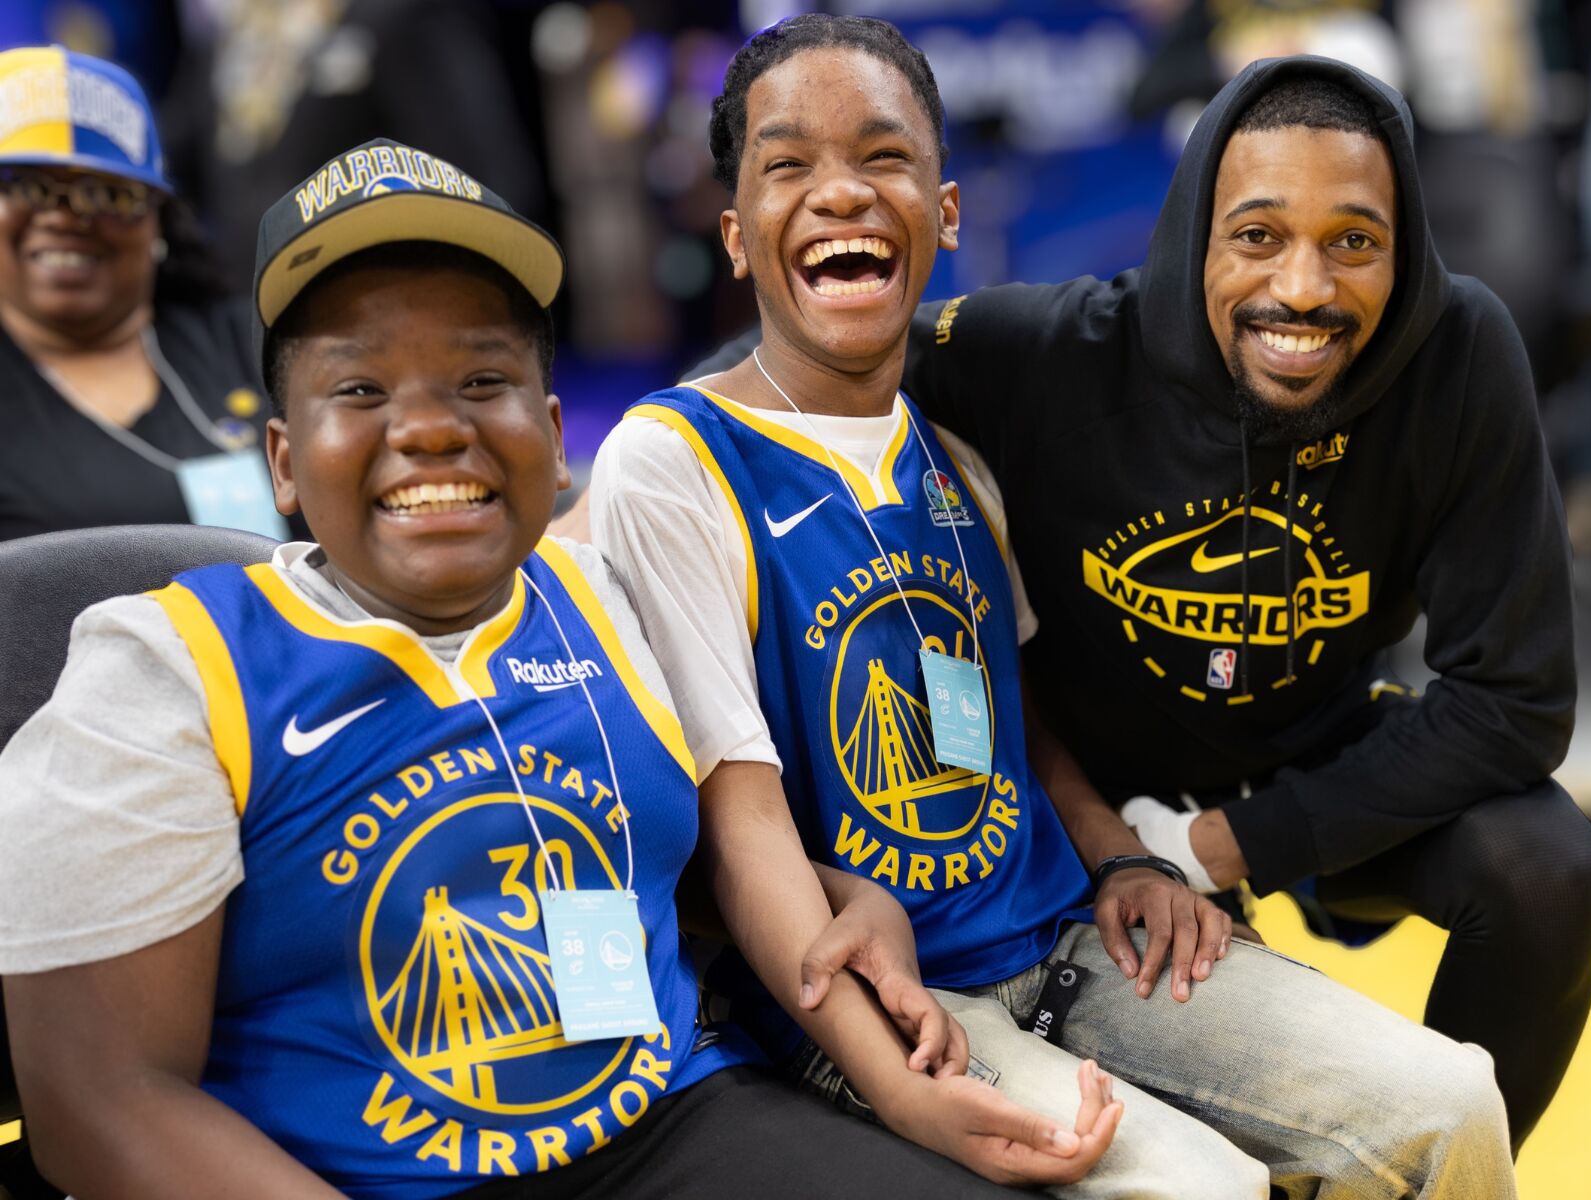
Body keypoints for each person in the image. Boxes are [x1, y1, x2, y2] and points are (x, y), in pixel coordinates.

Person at [0, 137, 1123, 1199]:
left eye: (481, 380)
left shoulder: (597, 596)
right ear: (284, 463)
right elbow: (98, 1101)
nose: (430, 428)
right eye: (361, 390)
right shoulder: (165, 673)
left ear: (549, 429)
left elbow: (666, 862)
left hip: (679, 1121)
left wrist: (845, 895)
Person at [591, 16, 1519, 1199]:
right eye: (789, 165)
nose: (842, 192)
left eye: (884, 157)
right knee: (1206, 1192)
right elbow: (743, 831)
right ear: (735, 234)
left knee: (1454, 1106)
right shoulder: (673, 461)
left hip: (1071, 938)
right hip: (895, 999)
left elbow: (1017, 724)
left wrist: (1126, 860)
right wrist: (896, 1084)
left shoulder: (961, 462)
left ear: (946, 212)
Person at [879, 55, 1591, 1148]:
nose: (1304, 289)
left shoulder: (1456, 353)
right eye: (1258, 235)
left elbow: (1516, 700)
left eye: (1353, 242)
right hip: (1082, 779)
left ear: (1406, 252)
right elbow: (794, 365)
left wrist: (1220, 845)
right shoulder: (1055, 351)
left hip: (1307, 756)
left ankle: (1428, 1175)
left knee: (1544, 870)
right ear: (1193, 240)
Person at [0, 46, 289, 543]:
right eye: (27, 188)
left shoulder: (258, 342)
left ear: (160, 218)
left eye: (107, 193)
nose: (63, 217)